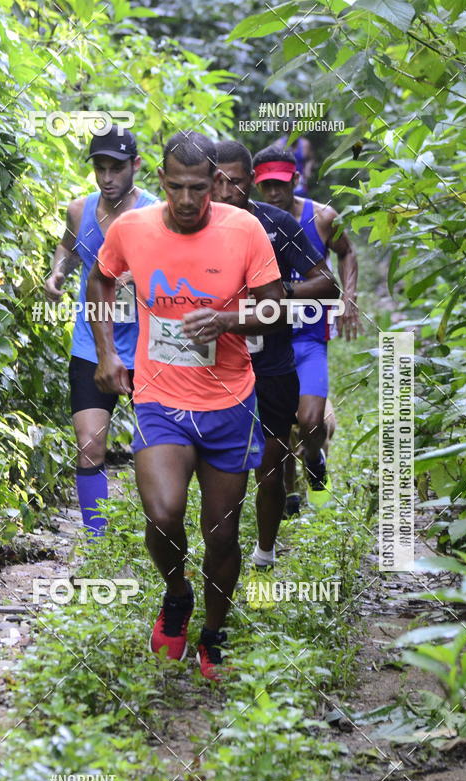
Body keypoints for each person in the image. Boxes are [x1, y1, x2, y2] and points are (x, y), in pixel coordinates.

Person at [86, 132, 297, 679]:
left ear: (216, 184)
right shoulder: (131, 228)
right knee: (162, 513)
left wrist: (229, 320)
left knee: (222, 534)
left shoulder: (245, 229)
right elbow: (100, 281)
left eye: (198, 188)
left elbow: (274, 310)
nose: (186, 199)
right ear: (160, 181)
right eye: (176, 187)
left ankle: (213, 633)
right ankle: (177, 594)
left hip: (229, 397)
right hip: (159, 395)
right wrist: (108, 351)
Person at [212, 140, 339, 596]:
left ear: (250, 182)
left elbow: (326, 282)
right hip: (213, 365)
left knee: (270, 464)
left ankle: (265, 552)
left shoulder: (277, 224)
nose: (226, 191)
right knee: (220, 472)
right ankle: (219, 553)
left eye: (236, 181)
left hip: (272, 362)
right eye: (218, 181)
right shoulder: (193, 223)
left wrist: (279, 293)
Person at [44, 126, 157, 539]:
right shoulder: (79, 210)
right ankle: (96, 541)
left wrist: (139, 280)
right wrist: (56, 274)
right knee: (90, 442)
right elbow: (69, 249)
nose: (107, 177)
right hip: (92, 341)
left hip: (148, 346)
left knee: (156, 449)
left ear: (136, 166)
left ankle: (159, 531)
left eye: (116, 168)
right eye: (100, 168)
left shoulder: (156, 214)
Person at [252, 144, 359, 509]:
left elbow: (346, 251)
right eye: (266, 186)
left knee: (310, 421)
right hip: (265, 340)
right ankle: (289, 495)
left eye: (280, 184)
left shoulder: (322, 217)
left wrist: (349, 297)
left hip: (310, 335)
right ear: (255, 186)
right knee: (276, 426)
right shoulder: (250, 222)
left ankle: (314, 458)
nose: (274, 193)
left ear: (295, 179)